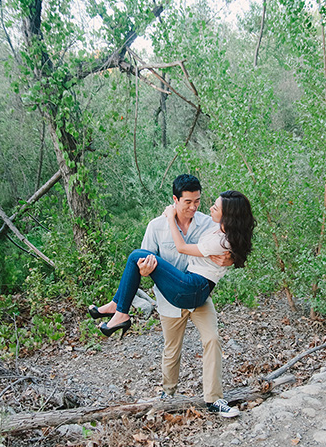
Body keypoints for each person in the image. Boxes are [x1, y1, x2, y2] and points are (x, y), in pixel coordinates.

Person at [89, 175, 253, 418]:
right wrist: (145, 270)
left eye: (197, 201)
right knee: (171, 349)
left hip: (198, 292)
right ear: (175, 199)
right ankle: (168, 394)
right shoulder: (156, 226)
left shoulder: (209, 224)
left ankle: (215, 399)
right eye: (188, 202)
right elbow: (143, 266)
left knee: (212, 340)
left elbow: (232, 239)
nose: (194, 207)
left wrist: (230, 257)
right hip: (170, 295)